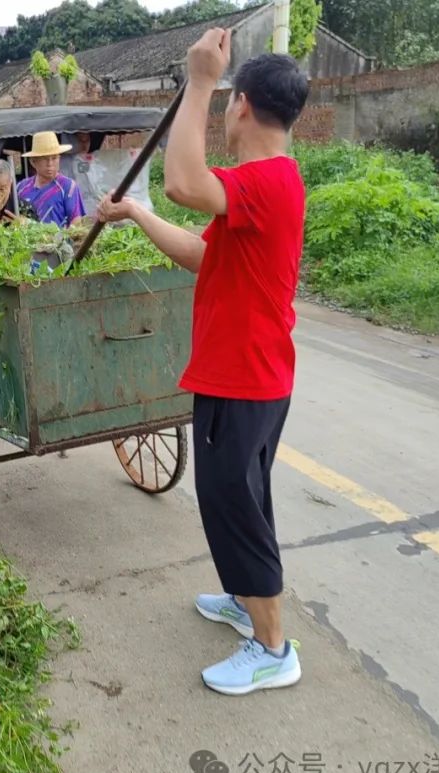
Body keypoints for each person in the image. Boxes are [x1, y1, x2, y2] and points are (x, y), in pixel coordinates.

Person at [97, 31, 309, 696]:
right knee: (242, 498)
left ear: (240, 106)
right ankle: (247, 602)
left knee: (233, 506)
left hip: (244, 377)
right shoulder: (258, 189)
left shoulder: (265, 180)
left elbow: (185, 181)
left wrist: (198, 79)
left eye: (224, 100)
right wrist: (136, 213)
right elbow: (199, 252)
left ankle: (273, 648)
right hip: (250, 374)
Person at [17, 131, 86, 228]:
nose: (50, 164)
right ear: (33, 162)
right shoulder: (21, 188)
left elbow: (76, 223)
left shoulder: (68, 187)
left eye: (54, 158)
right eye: (45, 159)